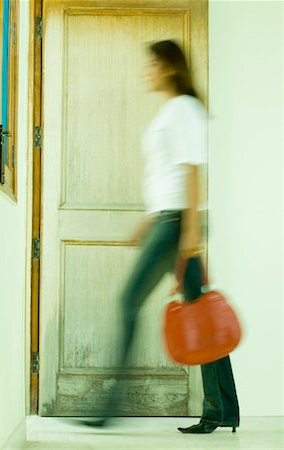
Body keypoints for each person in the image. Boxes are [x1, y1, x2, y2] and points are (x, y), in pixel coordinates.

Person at [84, 39, 240, 434]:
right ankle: (223, 410)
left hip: (177, 223)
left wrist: (188, 233)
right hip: (169, 221)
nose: (145, 72)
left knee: (128, 300)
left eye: (151, 64)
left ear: (169, 67)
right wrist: (150, 222)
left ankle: (108, 406)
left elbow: (191, 171)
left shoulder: (183, 109)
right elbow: (168, 175)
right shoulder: (174, 110)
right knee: (201, 312)